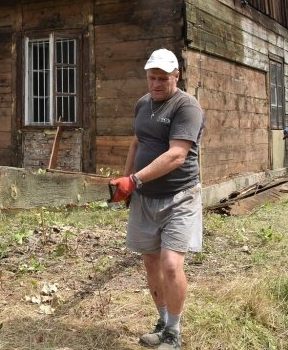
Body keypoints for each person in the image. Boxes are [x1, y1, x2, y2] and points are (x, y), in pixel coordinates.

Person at [110, 48, 204, 350]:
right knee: (150, 261)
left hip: (180, 196)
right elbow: (136, 142)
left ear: (176, 77)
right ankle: (162, 323)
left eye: (163, 79)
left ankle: (174, 333)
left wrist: (135, 179)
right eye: (152, 78)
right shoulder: (142, 104)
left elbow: (177, 155)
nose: (156, 84)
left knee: (171, 265)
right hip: (145, 198)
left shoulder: (187, 107)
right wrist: (124, 184)